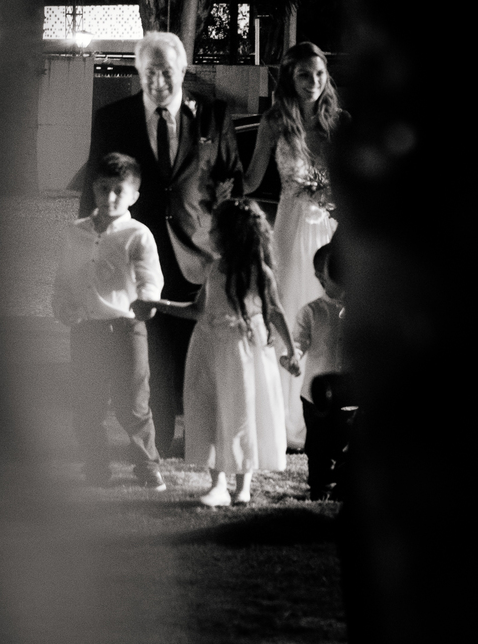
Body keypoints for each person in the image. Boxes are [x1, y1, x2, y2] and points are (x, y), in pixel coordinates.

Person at [80, 31, 244, 456]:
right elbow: (93, 189)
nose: (158, 81)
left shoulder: (213, 115)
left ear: (183, 70)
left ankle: (203, 440)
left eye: (167, 71)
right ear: (138, 72)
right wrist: (90, 251)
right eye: (149, 71)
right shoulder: (112, 119)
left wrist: (232, 248)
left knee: (202, 356)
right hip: (137, 258)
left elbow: (233, 184)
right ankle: (158, 443)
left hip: (200, 257)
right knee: (149, 360)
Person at [135, 200, 301, 506]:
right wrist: (158, 305)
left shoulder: (258, 272)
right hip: (207, 346)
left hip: (242, 351)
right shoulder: (214, 267)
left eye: (215, 229)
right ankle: (218, 484)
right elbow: (199, 309)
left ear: (233, 233)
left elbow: (275, 311)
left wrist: (291, 351)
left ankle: (242, 486)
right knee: (209, 410)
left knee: (240, 414)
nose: (210, 233)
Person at [244, 41, 347, 449]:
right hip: (288, 231)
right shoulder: (274, 122)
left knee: (327, 318)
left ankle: (323, 414)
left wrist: (335, 198)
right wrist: (220, 177)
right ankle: (281, 421)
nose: (313, 82)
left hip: (327, 231)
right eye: (304, 74)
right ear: (289, 76)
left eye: (319, 74)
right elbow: (252, 179)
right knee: (287, 313)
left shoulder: (338, 123)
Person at [53, 152, 167, 490]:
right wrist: (63, 306)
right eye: (104, 188)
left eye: (120, 190)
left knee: (133, 404)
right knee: (87, 404)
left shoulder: (137, 234)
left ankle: (147, 467)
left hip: (126, 330)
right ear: (94, 189)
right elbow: (64, 279)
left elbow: (150, 278)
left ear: (134, 195)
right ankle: (95, 468)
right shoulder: (75, 232)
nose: (111, 197)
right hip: (86, 330)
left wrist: (147, 300)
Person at [291, 241, 353, 500]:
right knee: (318, 445)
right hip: (315, 395)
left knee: (345, 441)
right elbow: (299, 341)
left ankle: (344, 484)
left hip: (348, 393)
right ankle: (319, 486)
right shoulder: (312, 311)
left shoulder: (359, 309)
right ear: (321, 276)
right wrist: (292, 356)